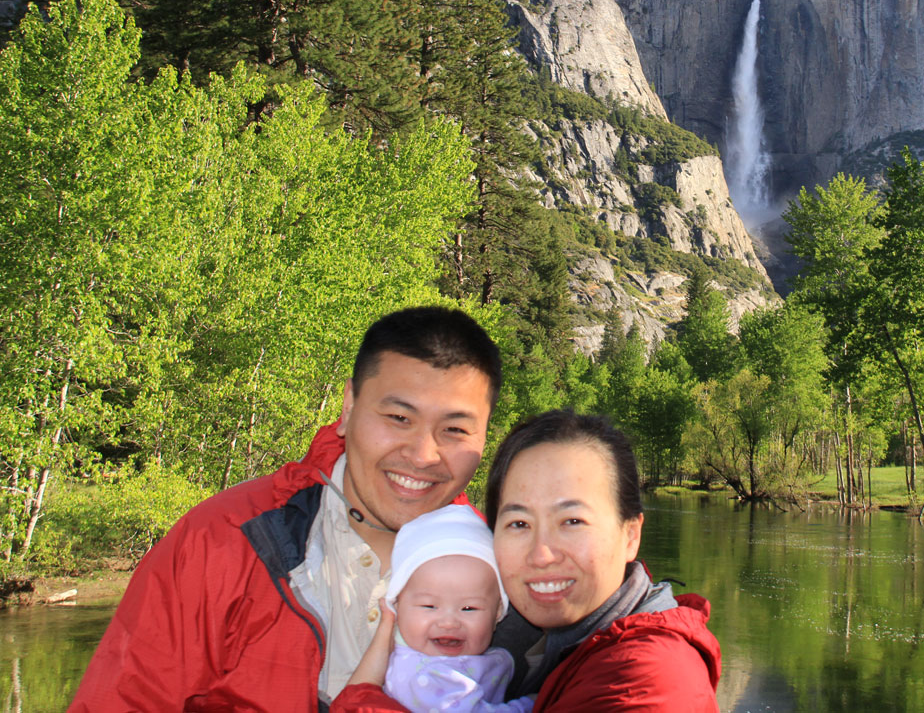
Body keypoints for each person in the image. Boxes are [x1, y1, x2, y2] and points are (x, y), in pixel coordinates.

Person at [69, 305, 502, 712]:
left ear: (484, 437)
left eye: (455, 429)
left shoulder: (505, 566)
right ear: (349, 405)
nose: (424, 454)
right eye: (398, 418)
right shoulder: (225, 540)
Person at [335, 409, 722, 711]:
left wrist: (361, 697)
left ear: (630, 535)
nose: (541, 554)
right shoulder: (525, 634)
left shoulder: (644, 682)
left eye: (572, 521)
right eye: (519, 522)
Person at [366, 505, 534, 712]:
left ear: (498, 612)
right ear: (397, 606)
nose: (448, 622)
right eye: (429, 606)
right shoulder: (425, 679)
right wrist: (538, 703)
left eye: (468, 608)